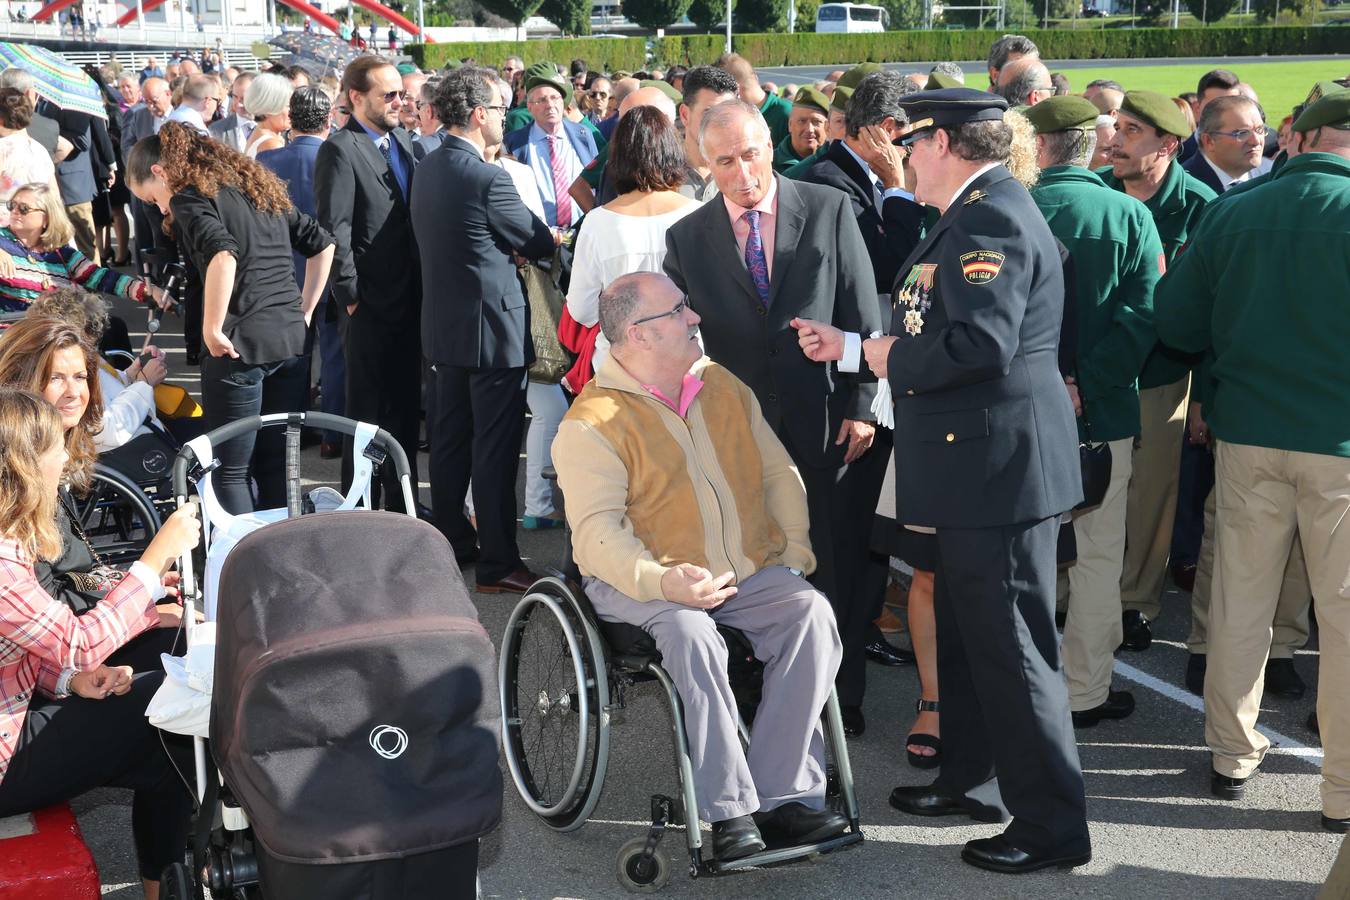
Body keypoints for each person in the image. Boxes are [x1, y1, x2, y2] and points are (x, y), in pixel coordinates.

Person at [793, 87, 1089, 874]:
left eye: (913, 141)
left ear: (950, 146)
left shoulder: (990, 215)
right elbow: (937, 324)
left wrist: (880, 357)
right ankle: (967, 773)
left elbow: (978, 346)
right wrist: (858, 347)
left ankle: (1052, 824)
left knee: (1015, 649)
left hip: (996, 470)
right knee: (965, 631)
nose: (902, 154)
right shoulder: (972, 211)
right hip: (975, 464)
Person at [554, 271, 849, 862]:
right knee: (690, 635)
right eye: (679, 310)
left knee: (809, 615)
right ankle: (730, 810)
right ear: (638, 335)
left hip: (738, 568)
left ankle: (784, 794)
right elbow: (595, 536)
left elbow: (776, 474)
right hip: (640, 580)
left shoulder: (720, 385)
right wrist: (662, 581)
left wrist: (792, 554)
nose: (695, 318)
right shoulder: (591, 422)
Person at [1152, 89, 1350, 834]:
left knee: (1240, 599)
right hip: (1337, 444)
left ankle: (1231, 753)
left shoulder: (1235, 210)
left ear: (1298, 137)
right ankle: (1343, 791)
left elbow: (1175, 320)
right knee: (1343, 611)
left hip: (1251, 434)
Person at [663, 99, 883, 737]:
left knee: (834, 559)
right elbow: (685, 346)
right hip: (737, 436)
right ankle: (762, 691)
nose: (742, 173)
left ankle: (840, 701)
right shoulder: (687, 236)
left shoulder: (827, 207)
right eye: (724, 161)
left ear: (770, 147)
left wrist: (865, 403)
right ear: (706, 164)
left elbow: (863, 309)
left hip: (827, 422)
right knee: (753, 562)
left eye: (751, 155)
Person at [0, 386, 202, 900]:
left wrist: (72, 680)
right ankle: (172, 881)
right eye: (56, 448)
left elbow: (23, 651)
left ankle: (165, 882)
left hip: (19, 706)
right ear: (24, 463)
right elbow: (77, 640)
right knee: (172, 710)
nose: (65, 456)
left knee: (167, 713)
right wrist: (154, 561)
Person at [1024, 95, 1163, 727]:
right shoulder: (1130, 214)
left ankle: (1021, 685)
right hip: (1102, 415)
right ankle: (1084, 691)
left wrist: (1052, 382)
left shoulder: (1008, 207)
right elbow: (1143, 316)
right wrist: (1086, 381)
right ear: (1093, 146)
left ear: (1039, 146)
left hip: (1018, 412)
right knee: (1100, 555)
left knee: (1019, 554)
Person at [127, 123, 334, 515]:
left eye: (152, 198)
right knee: (278, 465)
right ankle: (279, 560)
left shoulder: (190, 198)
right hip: (289, 340)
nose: (159, 208)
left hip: (239, 347)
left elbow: (223, 254)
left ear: (160, 173)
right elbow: (322, 244)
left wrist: (211, 328)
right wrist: (303, 311)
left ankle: (242, 564)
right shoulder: (256, 190)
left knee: (230, 470)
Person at [410, 66, 556, 593]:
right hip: (492, 334)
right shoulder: (487, 176)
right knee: (493, 453)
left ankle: (454, 543)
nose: (502, 116)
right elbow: (538, 240)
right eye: (498, 108)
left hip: (445, 331)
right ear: (477, 113)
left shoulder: (425, 166)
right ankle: (498, 562)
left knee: (449, 447)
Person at [1099, 91, 1216, 653]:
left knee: (1150, 497)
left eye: (1133, 132)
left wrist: (1202, 394)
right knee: (1089, 489)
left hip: (1163, 375)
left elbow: (1215, 305)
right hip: (1098, 372)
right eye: (1117, 126)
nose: (1116, 140)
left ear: (1169, 145)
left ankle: (1134, 603)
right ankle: (1077, 591)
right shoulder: (1097, 193)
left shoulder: (1200, 205)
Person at [314, 55, 422, 515]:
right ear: (356, 98)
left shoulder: (403, 141)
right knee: (364, 422)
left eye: (402, 93)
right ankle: (357, 516)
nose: (400, 102)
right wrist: (352, 298)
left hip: (410, 302)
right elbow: (333, 230)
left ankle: (403, 512)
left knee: (402, 415)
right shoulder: (340, 149)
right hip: (370, 308)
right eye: (389, 95)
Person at [567, 105, 698, 380]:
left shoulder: (597, 222)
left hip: (621, 365)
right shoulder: (698, 213)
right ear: (672, 150)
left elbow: (581, 309)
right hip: (689, 357)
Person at [259, 86, 344, 460]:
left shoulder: (268, 162)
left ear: (290, 119)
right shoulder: (340, 156)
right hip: (334, 271)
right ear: (329, 120)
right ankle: (333, 434)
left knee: (293, 359)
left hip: (283, 274)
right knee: (336, 356)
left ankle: (291, 432)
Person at [0, 183, 166, 313]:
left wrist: (148, 291)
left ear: (47, 217)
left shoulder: (61, 253)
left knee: (117, 331)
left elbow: (102, 278)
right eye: (11, 205)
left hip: (55, 335)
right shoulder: (2, 242)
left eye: (23, 209)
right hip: (13, 337)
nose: (14, 212)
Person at [502, 64, 598, 230]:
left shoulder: (583, 135)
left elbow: (597, 183)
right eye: (542, 100)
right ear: (530, 107)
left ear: (563, 102)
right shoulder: (514, 143)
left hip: (582, 232)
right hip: (537, 235)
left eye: (555, 98)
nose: (550, 105)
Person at [1183, 94, 1268, 194]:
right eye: (1242, 133)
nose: (1256, 141)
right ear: (1209, 141)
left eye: (1259, 130)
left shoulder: (1269, 179)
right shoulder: (1185, 191)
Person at [0, 89, 57, 228]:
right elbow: (54, 196)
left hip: (6, 229)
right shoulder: (40, 150)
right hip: (36, 226)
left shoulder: (3, 149)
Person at [716, 53, 791, 146]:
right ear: (755, 77)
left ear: (735, 89)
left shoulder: (785, 113)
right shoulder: (736, 115)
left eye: (721, 91)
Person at [772, 87, 829, 173]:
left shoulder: (837, 160)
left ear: (828, 127)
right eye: (802, 121)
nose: (809, 129)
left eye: (816, 122)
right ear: (790, 125)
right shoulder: (770, 163)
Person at [242, 73, 292, 158]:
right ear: (270, 107)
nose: (291, 111)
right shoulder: (271, 145)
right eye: (288, 106)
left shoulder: (258, 133)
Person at [208, 71, 254, 152]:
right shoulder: (216, 130)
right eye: (235, 97)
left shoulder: (274, 125)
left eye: (244, 98)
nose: (239, 104)